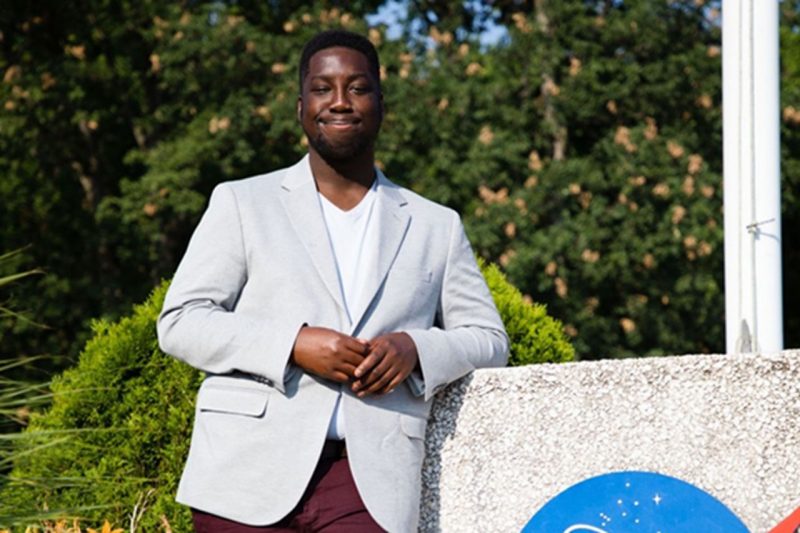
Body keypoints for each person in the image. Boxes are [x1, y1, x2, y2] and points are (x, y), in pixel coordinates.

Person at [157, 29, 509, 533]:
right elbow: (181, 323)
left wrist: (415, 350)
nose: (340, 102)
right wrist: (293, 343)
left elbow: (490, 340)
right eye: (323, 89)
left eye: (358, 88)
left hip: (370, 480)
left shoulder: (437, 224)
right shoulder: (241, 202)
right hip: (244, 471)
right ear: (301, 106)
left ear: (381, 104)